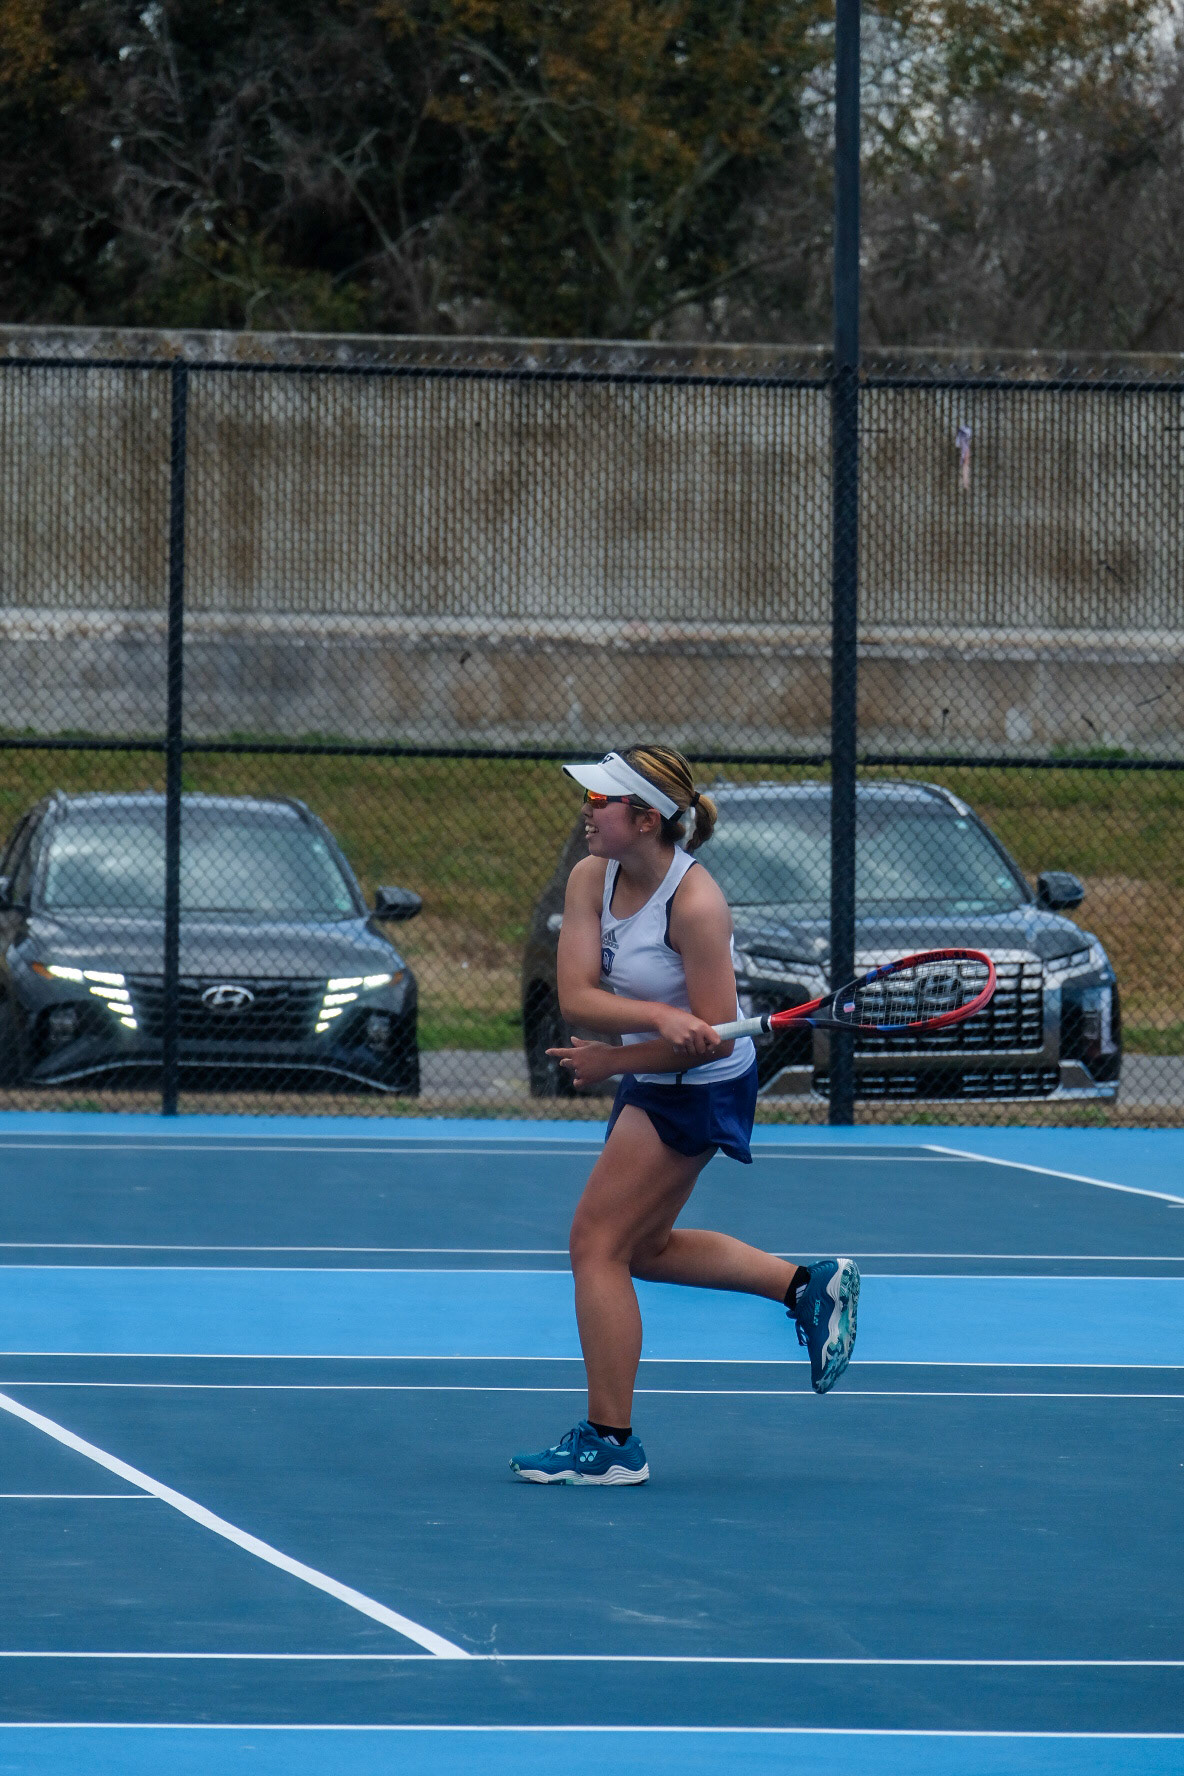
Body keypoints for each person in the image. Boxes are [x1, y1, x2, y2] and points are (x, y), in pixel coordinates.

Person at [510, 745, 859, 1486]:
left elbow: (710, 1040)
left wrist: (617, 1059)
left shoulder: (696, 905)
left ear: (645, 819)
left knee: (595, 1245)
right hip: (653, 1069)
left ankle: (611, 1443)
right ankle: (805, 1285)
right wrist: (651, 1023)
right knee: (640, 1247)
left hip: (701, 1084)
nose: (587, 810)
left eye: (601, 800)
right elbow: (576, 996)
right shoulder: (590, 876)